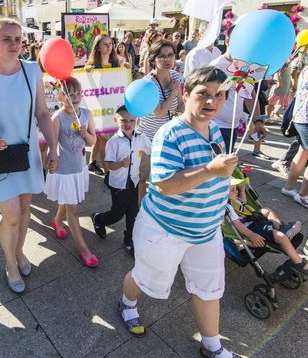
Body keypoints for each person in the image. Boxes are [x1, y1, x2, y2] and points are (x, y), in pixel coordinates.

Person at [119, 66, 240, 358]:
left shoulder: (214, 129)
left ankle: (212, 346)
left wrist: (225, 191)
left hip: (206, 232)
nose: (211, 101)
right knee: (145, 278)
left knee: (209, 289)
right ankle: (127, 303)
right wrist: (210, 170)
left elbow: (217, 172)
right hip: (165, 230)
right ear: (185, 93)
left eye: (219, 95)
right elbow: (165, 185)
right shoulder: (170, 133)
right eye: (203, 94)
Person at [0, 17, 58, 294]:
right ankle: (10, 263)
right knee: (12, 216)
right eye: (6, 39)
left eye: (18, 39)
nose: (14, 44)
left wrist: (54, 148)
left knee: (26, 210)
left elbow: (43, 113)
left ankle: (18, 251)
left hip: (27, 154)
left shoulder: (31, 69)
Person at [44, 77, 98, 267]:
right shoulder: (57, 118)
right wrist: (50, 162)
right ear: (61, 97)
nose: (75, 98)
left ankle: (57, 221)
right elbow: (52, 145)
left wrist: (86, 134)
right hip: (65, 170)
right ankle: (83, 249)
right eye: (70, 95)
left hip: (79, 168)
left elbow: (93, 141)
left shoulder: (86, 114)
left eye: (77, 94)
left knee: (68, 201)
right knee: (73, 210)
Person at [91, 105, 151, 253]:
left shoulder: (141, 138)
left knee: (133, 214)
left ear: (138, 121)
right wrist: (121, 164)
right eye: (123, 120)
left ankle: (128, 240)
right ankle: (98, 219)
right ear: (115, 120)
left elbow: (153, 150)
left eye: (132, 120)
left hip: (134, 182)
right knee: (117, 215)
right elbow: (109, 165)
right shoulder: (114, 142)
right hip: (118, 185)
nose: (128, 124)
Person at [135, 40, 184, 203]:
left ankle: (160, 206)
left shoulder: (175, 76)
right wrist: (174, 91)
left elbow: (181, 104)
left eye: (170, 55)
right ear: (153, 59)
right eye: (162, 56)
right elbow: (159, 113)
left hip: (168, 136)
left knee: (165, 176)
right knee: (144, 178)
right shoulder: (148, 83)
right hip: (147, 137)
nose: (167, 59)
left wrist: (180, 120)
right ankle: (141, 208)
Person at [228, 180, 306, 274]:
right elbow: (238, 224)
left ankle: (282, 228)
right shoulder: (228, 208)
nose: (236, 191)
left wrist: (242, 189)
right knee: (280, 236)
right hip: (252, 228)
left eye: (235, 189)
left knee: (266, 210)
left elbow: (243, 202)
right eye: (232, 190)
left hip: (253, 219)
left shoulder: (235, 200)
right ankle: (298, 263)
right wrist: (251, 235)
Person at [210, 26, 259, 154]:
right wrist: (234, 79)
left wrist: (258, 121)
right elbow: (211, 95)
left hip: (233, 126)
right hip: (215, 126)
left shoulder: (246, 66)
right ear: (227, 42)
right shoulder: (216, 66)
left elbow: (251, 95)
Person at [85, 34, 128, 177]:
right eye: (105, 44)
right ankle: (108, 172)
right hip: (98, 109)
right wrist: (87, 72)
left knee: (101, 140)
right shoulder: (91, 66)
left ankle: (92, 163)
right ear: (98, 47)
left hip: (113, 108)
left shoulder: (117, 64)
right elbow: (86, 85)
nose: (109, 46)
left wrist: (126, 69)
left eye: (110, 43)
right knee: (104, 139)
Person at [282, 59, 308, 208]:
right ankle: (304, 195)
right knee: (303, 152)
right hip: (305, 119)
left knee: (303, 152)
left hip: (301, 118)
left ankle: (289, 187)